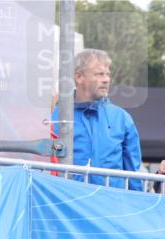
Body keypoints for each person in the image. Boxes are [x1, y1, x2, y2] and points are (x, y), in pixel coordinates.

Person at [51, 49, 142, 189]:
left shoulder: (122, 118)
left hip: (110, 206)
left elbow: (134, 174)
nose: (106, 80)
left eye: (107, 74)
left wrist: (137, 205)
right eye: (99, 74)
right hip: (67, 204)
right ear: (79, 77)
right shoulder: (56, 117)